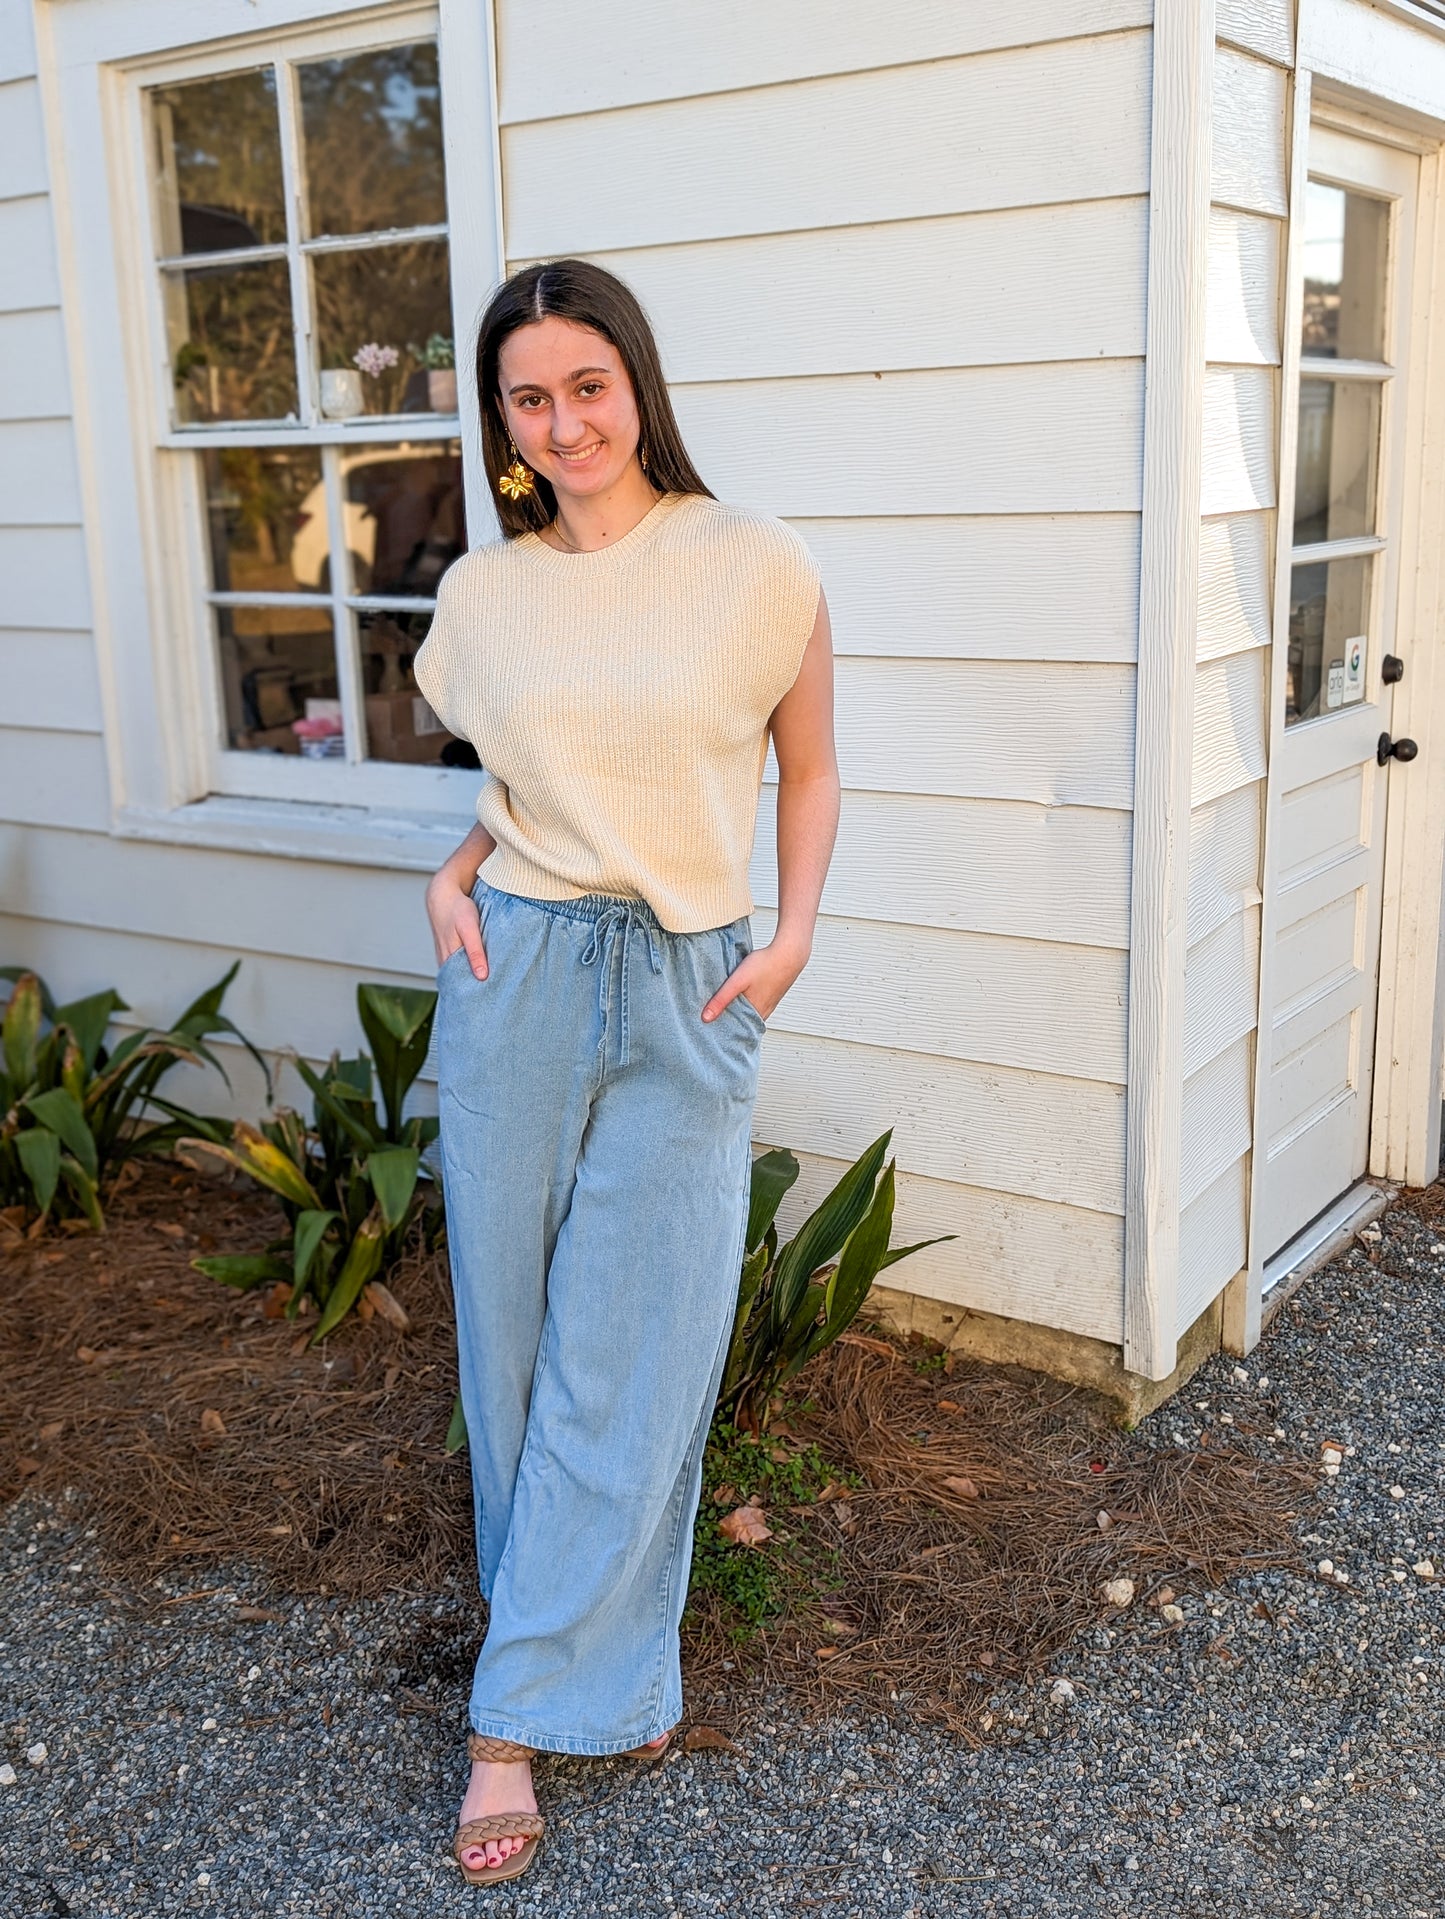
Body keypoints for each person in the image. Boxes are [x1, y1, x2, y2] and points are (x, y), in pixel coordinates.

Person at [413, 257, 839, 1887]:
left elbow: (805, 766)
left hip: (686, 980)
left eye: (588, 384)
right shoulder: (487, 590)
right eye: (530, 396)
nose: (565, 420)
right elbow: (543, 771)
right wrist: (457, 866)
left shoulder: (753, 562)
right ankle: (525, 1719)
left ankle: (542, 1689)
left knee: (643, 1344)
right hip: (515, 966)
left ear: (636, 385)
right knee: (511, 1340)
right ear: (503, 420)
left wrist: (790, 936)